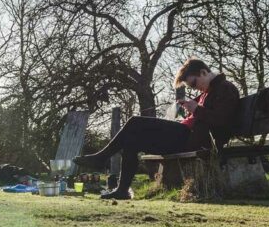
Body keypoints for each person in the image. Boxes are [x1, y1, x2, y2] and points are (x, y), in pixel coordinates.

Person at [73, 58, 239, 200]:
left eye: (194, 83)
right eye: (192, 87)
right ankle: (122, 190)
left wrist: (196, 109)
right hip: (185, 135)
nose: (195, 88)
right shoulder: (207, 92)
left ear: (204, 72)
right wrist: (189, 110)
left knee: (135, 122)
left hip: (193, 140)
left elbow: (223, 121)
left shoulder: (225, 88)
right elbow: (202, 116)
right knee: (133, 139)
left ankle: (102, 158)